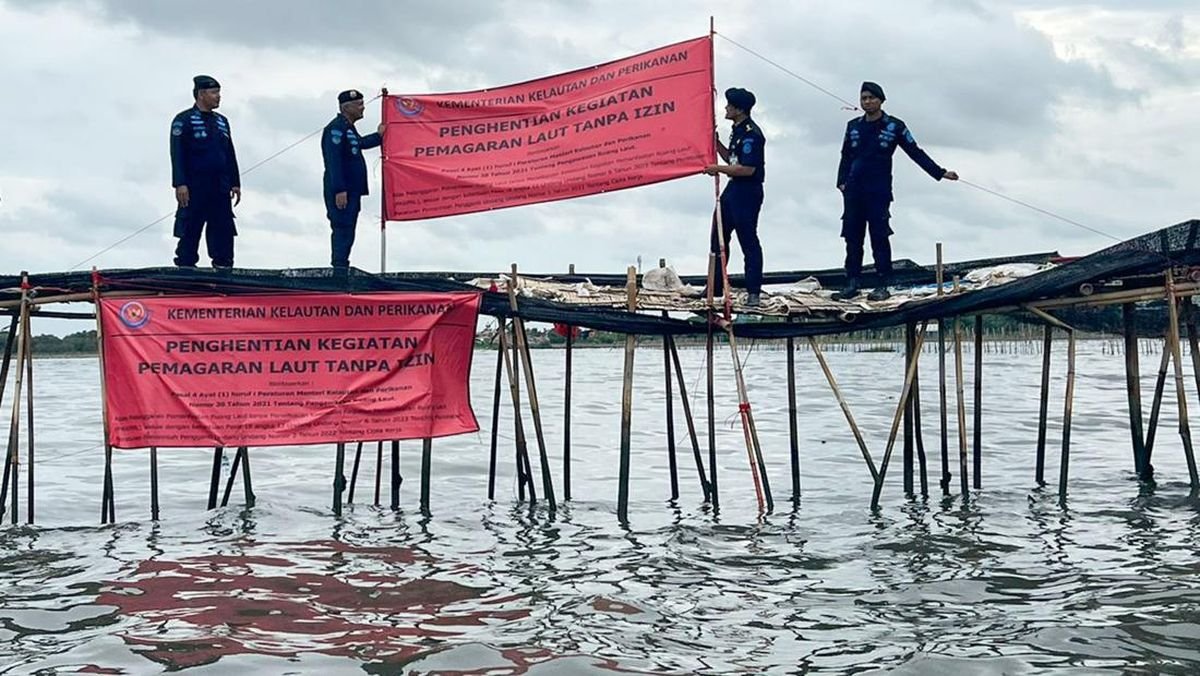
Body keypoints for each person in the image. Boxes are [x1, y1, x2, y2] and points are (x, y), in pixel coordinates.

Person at [834, 81, 958, 301]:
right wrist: (841, 182)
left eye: (872, 98)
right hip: (853, 191)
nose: (867, 101)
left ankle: (883, 284)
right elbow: (845, 155)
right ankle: (852, 283)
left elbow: (915, 152)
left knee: (879, 237)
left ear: (881, 100)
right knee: (852, 238)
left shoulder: (894, 126)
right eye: (864, 98)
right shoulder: (853, 126)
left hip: (878, 190)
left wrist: (940, 172)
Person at [170, 75, 241, 268]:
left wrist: (235, 182)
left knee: (223, 227)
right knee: (191, 226)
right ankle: (185, 265)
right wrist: (180, 183)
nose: (218, 97)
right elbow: (177, 154)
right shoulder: (183, 120)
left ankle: (224, 265)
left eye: (218, 92)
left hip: (219, 185)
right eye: (214, 92)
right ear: (201, 94)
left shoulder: (222, 121)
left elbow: (229, 152)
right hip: (194, 185)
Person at [703, 87, 766, 306]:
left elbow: (747, 168)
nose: (726, 108)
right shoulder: (736, 130)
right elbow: (732, 159)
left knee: (747, 239)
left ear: (739, 109)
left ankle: (754, 291)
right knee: (717, 237)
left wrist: (716, 168)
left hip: (747, 191)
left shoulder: (752, 134)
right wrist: (716, 143)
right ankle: (714, 285)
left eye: (729, 105)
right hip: (733, 188)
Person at [321, 89, 385, 269]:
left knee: (349, 228)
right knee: (342, 227)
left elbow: (360, 143)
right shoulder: (335, 129)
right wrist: (339, 189)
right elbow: (334, 161)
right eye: (359, 105)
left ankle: (343, 264)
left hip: (353, 189)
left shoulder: (348, 127)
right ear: (346, 107)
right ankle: (339, 267)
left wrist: (379, 136)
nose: (363, 108)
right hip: (343, 190)